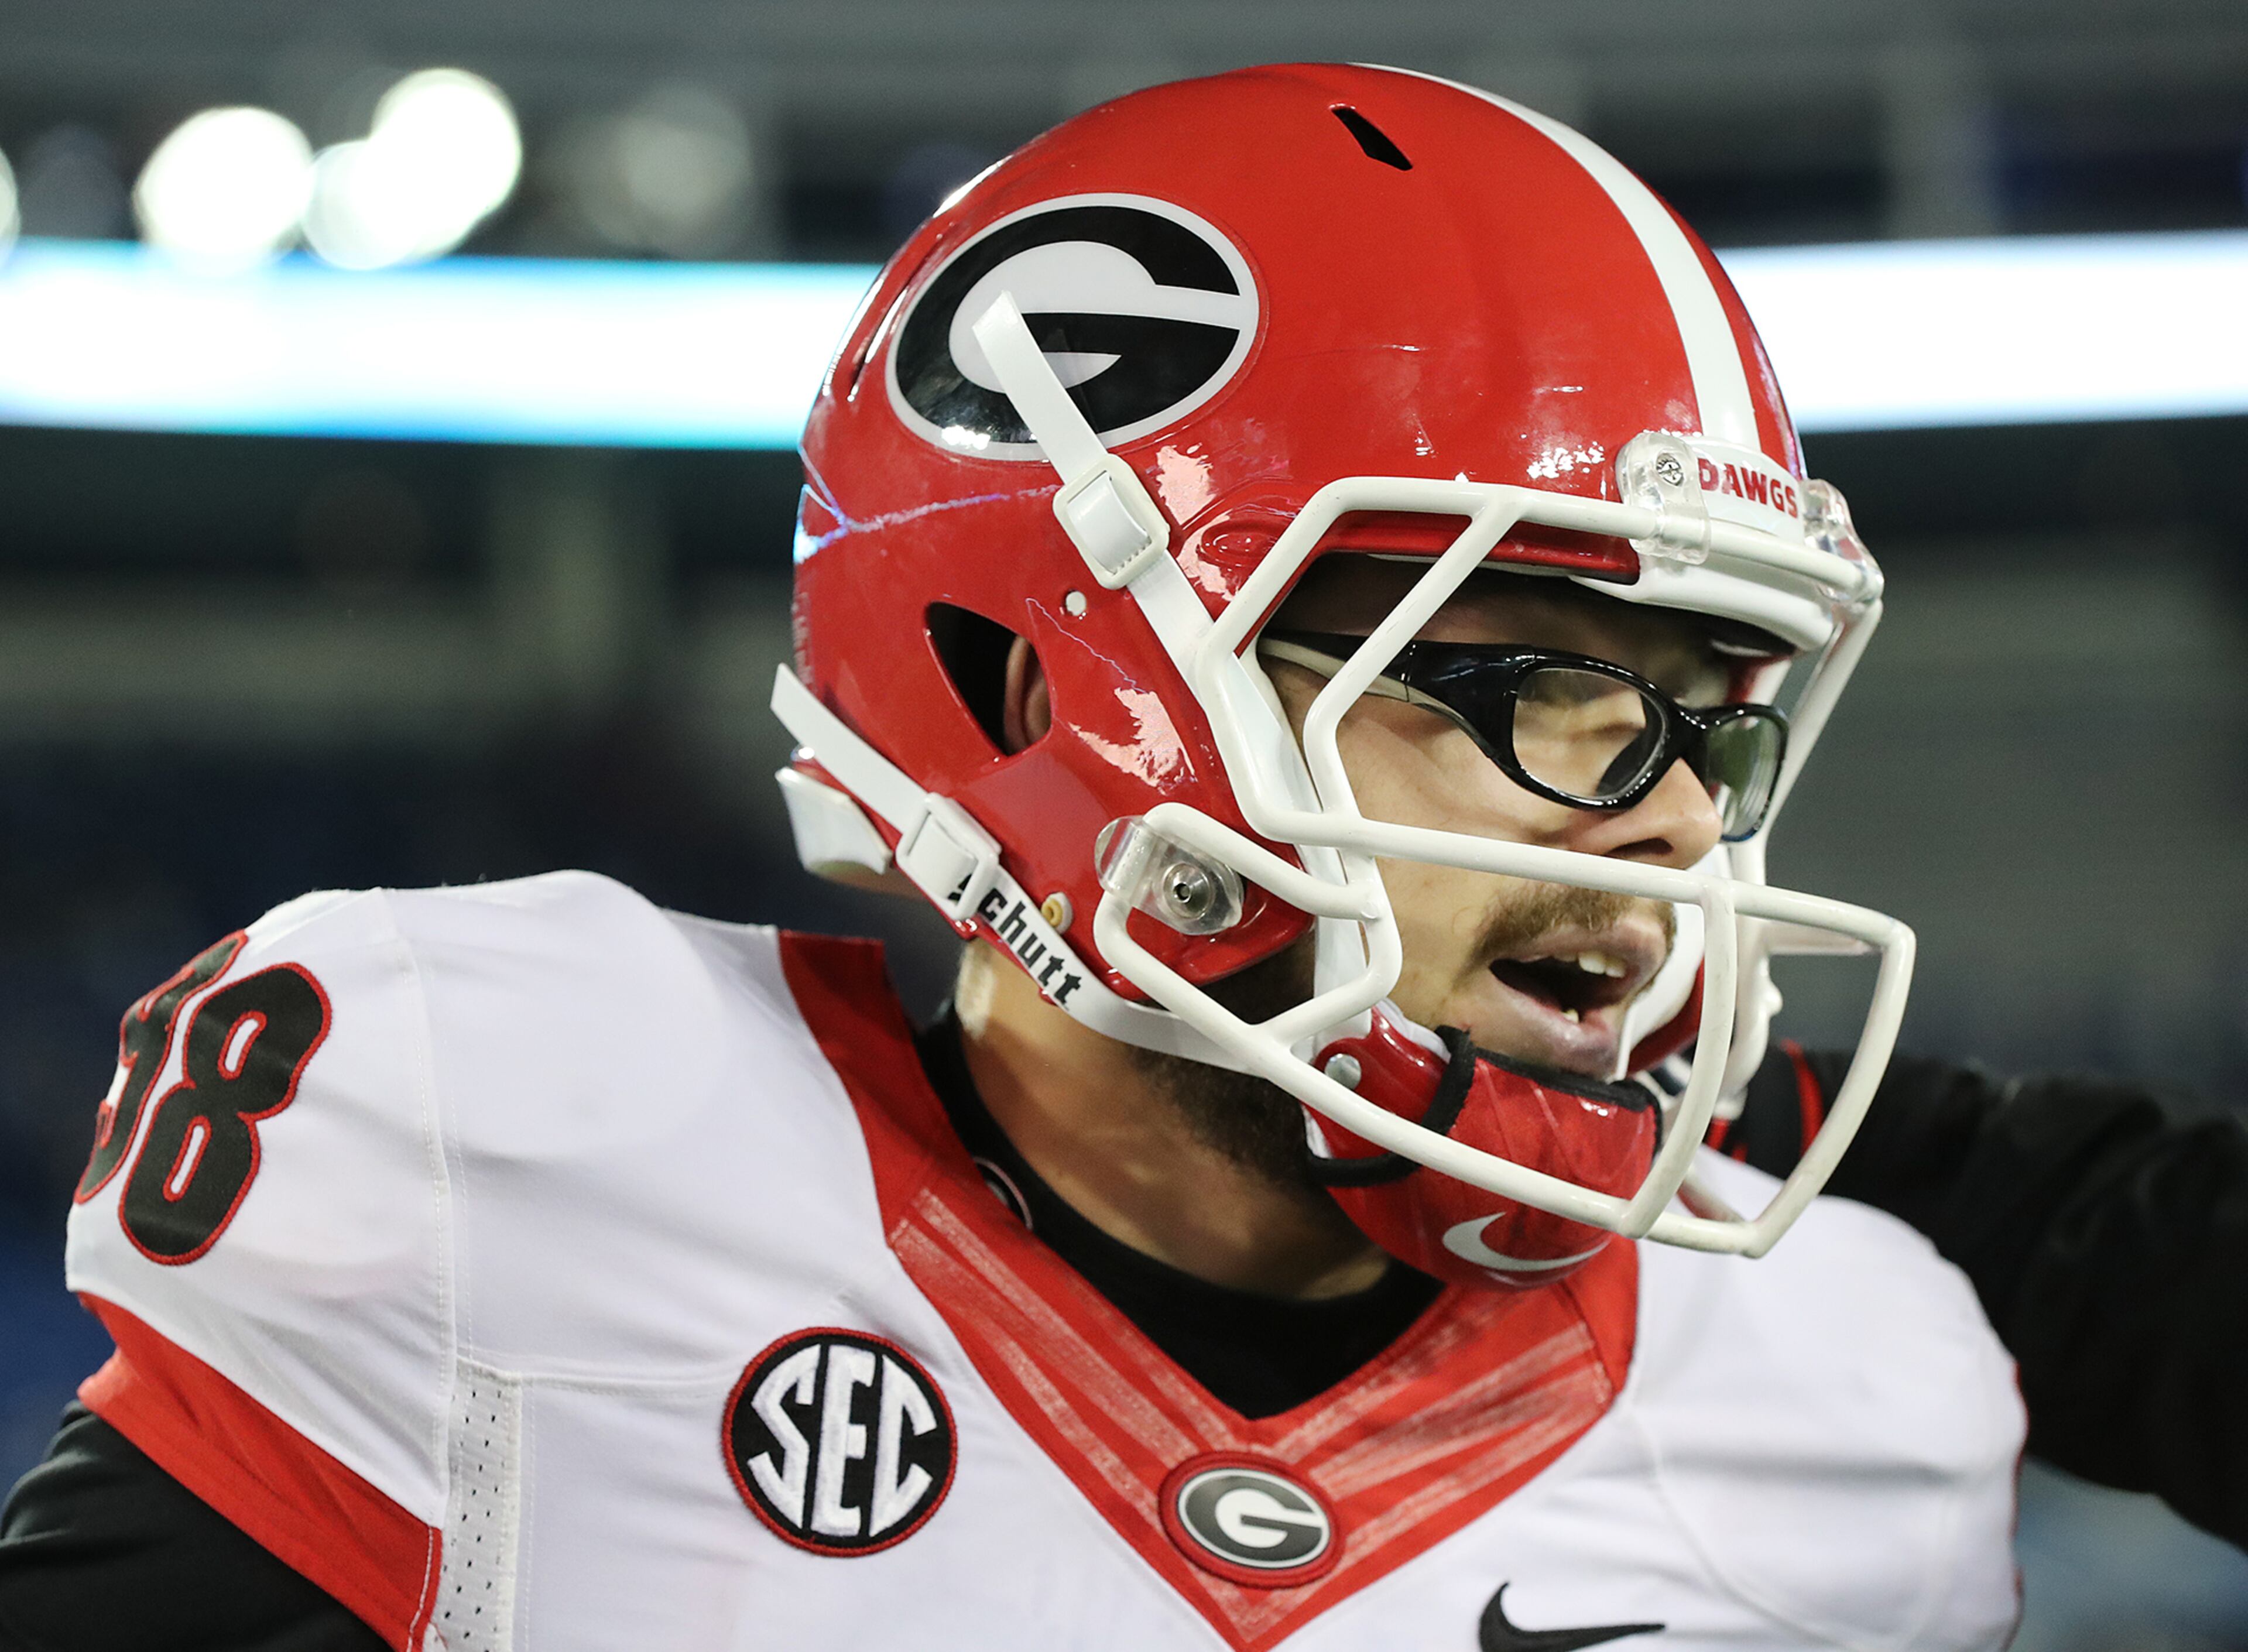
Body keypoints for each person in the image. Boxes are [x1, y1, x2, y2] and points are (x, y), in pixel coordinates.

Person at [0, 61, 2238, 1652]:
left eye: (1714, 719)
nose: (1666, 811)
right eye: (1552, 689)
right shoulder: (518, 1160)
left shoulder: (1858, 1377)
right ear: (1044, 689)